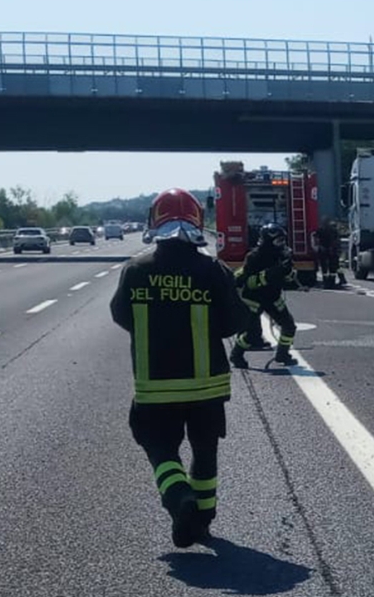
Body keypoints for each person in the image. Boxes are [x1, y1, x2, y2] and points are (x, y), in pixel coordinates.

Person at [110, 188, 254, 548]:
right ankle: (201, 521)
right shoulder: (213, 270)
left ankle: (179, 500)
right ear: (196, 221)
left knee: (158, 446)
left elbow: (120, 315)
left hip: (155, 385)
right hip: (207, 387)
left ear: (154, 221)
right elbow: (234, 320)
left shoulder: (136, 270)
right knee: (205, 452)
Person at [231, 224, 304, 369]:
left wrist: (289, 273)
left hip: (273, 298)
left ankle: (282, 355)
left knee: (289, 326)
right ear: (267, 241)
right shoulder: (254, 257)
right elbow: (250, 283)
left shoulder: (282, 255)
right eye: (278, 241)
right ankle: (236, 355)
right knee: (252, 335)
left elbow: (288, 280)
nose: (282, 244)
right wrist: (273, 273)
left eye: (283, 240)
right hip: (253, 299)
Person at [311, 220, 345, 287]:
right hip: (333, 251)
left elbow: (315, 236)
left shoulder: (320, 229)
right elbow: (337, 240)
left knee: (325, 267)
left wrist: (316, 247)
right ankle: (333, 282)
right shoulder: (334, 231)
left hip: (323, 250)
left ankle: (326, 282)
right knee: (334, 267)